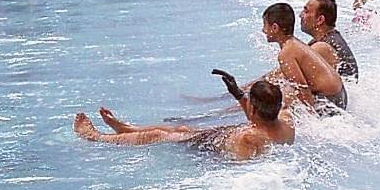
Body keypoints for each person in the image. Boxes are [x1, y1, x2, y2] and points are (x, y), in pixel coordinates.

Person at [74, 77, 293, 161]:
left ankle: (97, 137)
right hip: (214, 139)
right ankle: (126, 128)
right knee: (181, 128)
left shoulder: (250, 137)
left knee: (158, 135)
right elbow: (260, 118)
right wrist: (238, 94)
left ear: (252, 109)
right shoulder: (285, 122)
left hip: (206, 149)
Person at [261, 2, 346, 111]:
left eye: (265, 25)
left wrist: (310, 118)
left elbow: (302, 90)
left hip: (331, 102)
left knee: (284, 105)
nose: (263, 30)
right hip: (340, 95)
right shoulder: (295, 44)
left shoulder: (286, 53)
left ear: (274, 27)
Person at [299, 0, 359, 81]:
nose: (300, 15)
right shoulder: (326, 39)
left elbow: (291, 76)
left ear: (320, 20)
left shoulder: (322, 47)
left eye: (306, 11)